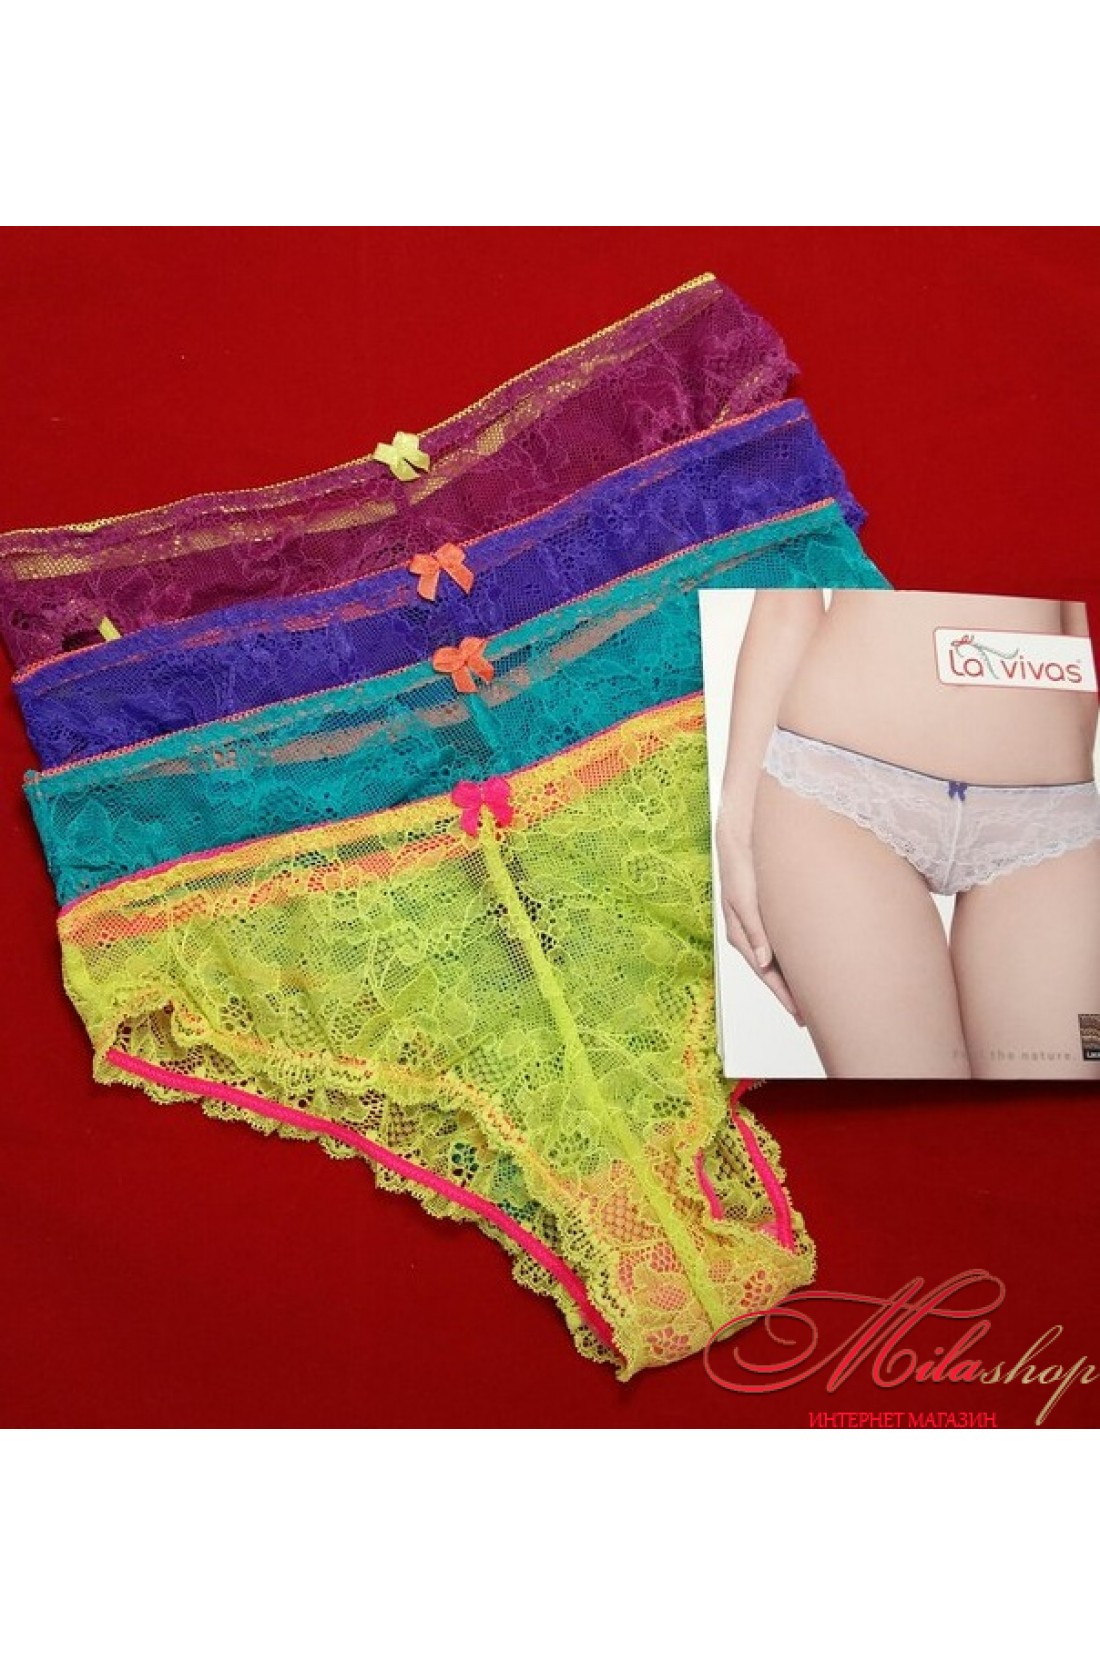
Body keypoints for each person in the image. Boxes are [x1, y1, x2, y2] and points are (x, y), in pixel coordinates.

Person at [715, 590, 1100, 1078]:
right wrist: (734, 827)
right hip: (841, 794)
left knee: (1061, 1116)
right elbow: (787, 597)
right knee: (911, 1114)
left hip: (1053, 820)